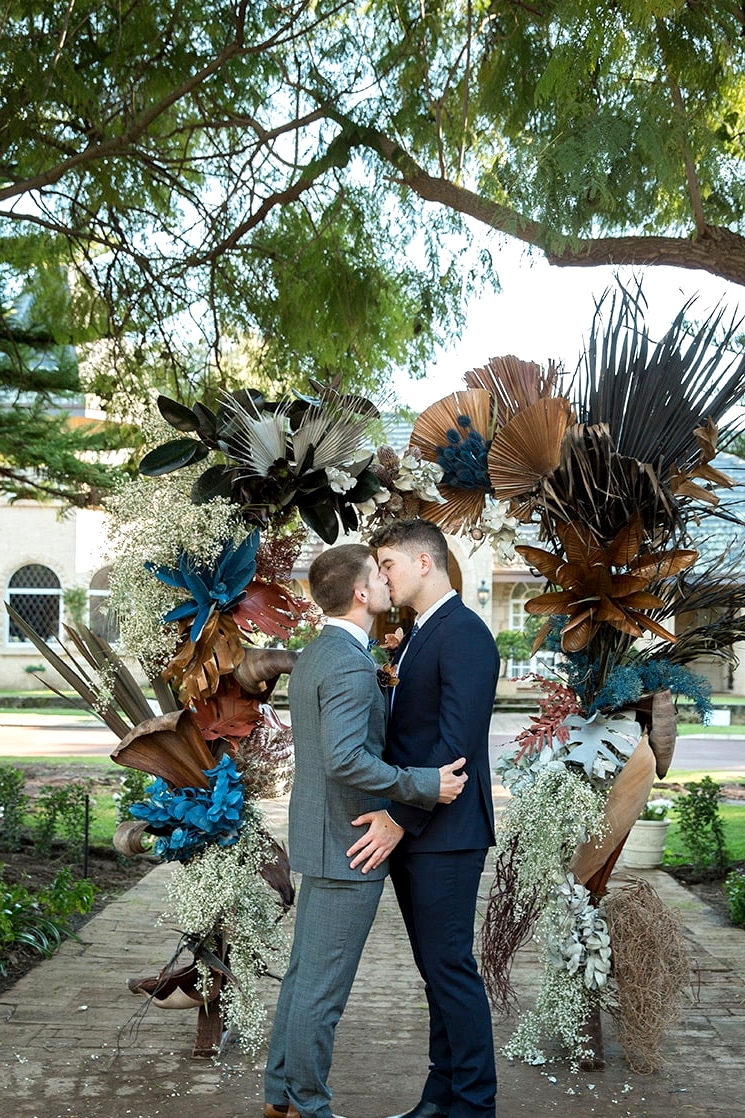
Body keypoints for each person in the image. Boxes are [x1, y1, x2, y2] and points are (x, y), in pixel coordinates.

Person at [263, 542, 468, 1118]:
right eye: (379, 575)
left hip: (321, 837)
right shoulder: (348, 664)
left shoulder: (321, 653)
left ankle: (280, 1099)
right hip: (348, 844)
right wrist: (421, 784)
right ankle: (309, 1105)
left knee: (304, 979)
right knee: (322, 996)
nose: (387, 582)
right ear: (361, 593)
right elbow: (346, 759)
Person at [355, 519, 499, 1118]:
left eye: (386, 564)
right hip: (419, 828)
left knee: (451, 969)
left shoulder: (464, 633)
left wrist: (396, 819)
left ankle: (473, 1104)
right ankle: (441, 1097)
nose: (380, 577)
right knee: (434, 973)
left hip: (445, 832)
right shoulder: (418, 633)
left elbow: (454, 746)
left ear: (423, 562)